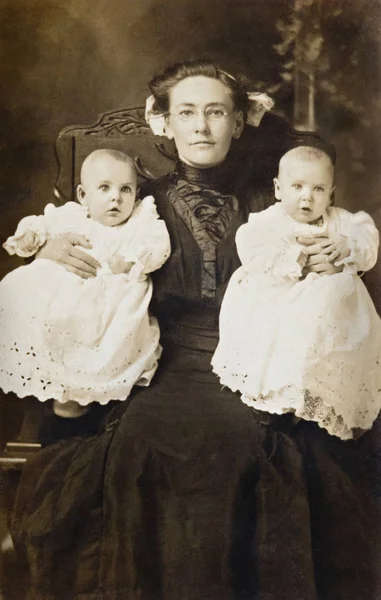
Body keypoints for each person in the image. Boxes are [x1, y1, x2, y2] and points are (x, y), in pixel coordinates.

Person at [10, 60, 381, 600]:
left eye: (216, 112)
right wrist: (46, 247)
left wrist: (339, 252)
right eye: (187, 113)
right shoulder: (134, 203)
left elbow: (349, 238)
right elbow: (72, 230)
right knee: (143, 447)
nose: (202, 127)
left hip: (254, 359)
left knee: (248, 448)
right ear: (163, 123)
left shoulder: (279, 202)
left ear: (237, 121)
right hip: (162, 363)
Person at [212, 143, 381, 440]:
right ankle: (275, 397)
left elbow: (366, 235)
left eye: (318, 189)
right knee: (281, 341)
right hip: (279, 301)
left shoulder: (340, 220)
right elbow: (250, 245)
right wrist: (293, 259)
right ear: (278, 188)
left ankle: (321, 399)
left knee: (327, 329)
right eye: (298, 186)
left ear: (330, 193)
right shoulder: (269, 221)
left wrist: (346, 244)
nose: (307, 197)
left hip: (327, 311)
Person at [0, 149, 170, 417]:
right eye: (104, 188)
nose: (116, 197)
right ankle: (60, 385)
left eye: (125, 189)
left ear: (136, 195)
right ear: (83, 196)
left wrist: (131, 261)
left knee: (103, 324)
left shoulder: (139, 220)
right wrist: (33, 237)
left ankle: (87, 393)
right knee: (27, 297)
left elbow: (158, 245)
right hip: (70, 287)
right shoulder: (72, 216)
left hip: (113, 296)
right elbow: (41, 224)